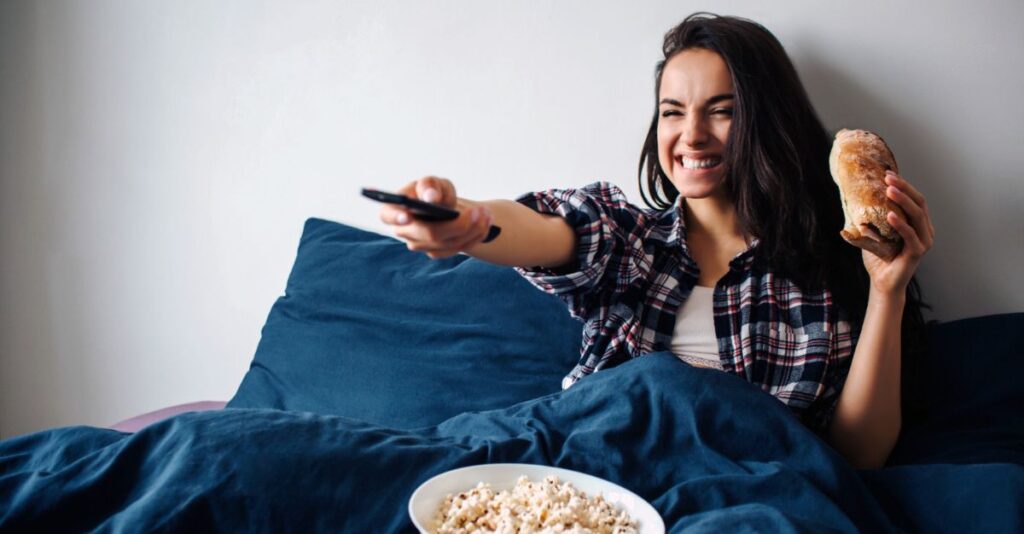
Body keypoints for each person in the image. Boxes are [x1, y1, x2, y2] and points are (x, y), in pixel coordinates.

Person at [378, 13, 933, 470]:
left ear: (767, 121)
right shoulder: (629, 242)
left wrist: (888, 290)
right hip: (593, 472)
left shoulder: (827, 268)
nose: (691, 135)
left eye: (722, 112)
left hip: (742, 489)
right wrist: (469, 221)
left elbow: (858, 459)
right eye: (673, 112)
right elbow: (548, 231)